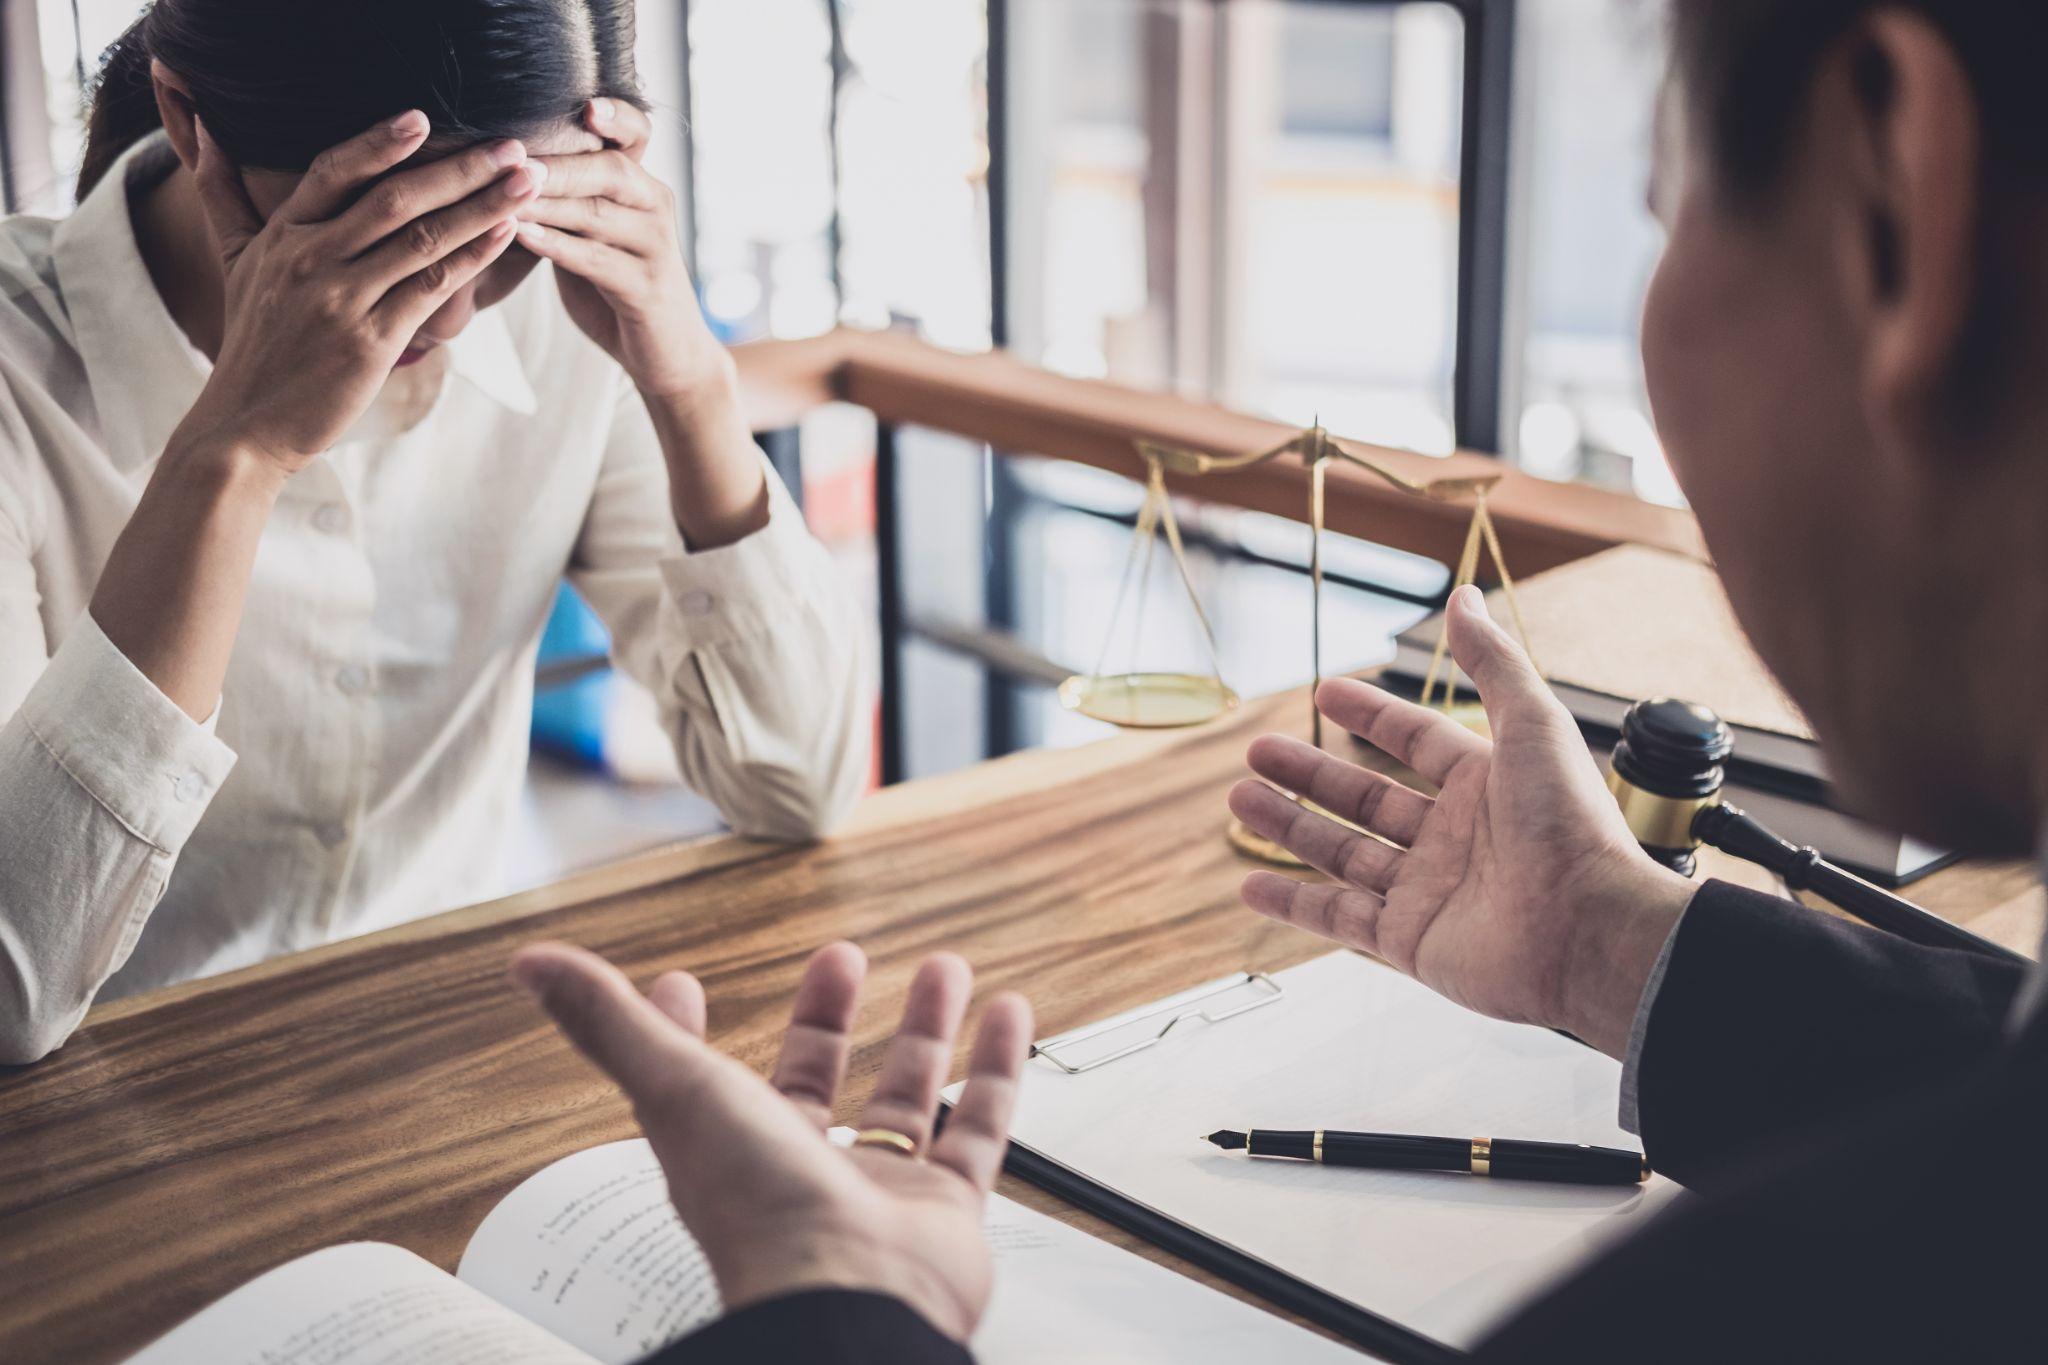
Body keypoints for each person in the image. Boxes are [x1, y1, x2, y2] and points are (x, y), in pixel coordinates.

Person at [518, 0, 2048, 1359]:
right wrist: (1618, 949)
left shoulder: (1733, 1303)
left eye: (1665, 214)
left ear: (1895, 197)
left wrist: (835, 1302)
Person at [0, 1, 869, 1063]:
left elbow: (798, 787)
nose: (449, 312)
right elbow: (13, 991)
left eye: (501, 227)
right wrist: (232, 456)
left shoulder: (565, 316)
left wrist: (687, 379)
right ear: (189, 117)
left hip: (464, 1065)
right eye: (387, 226)